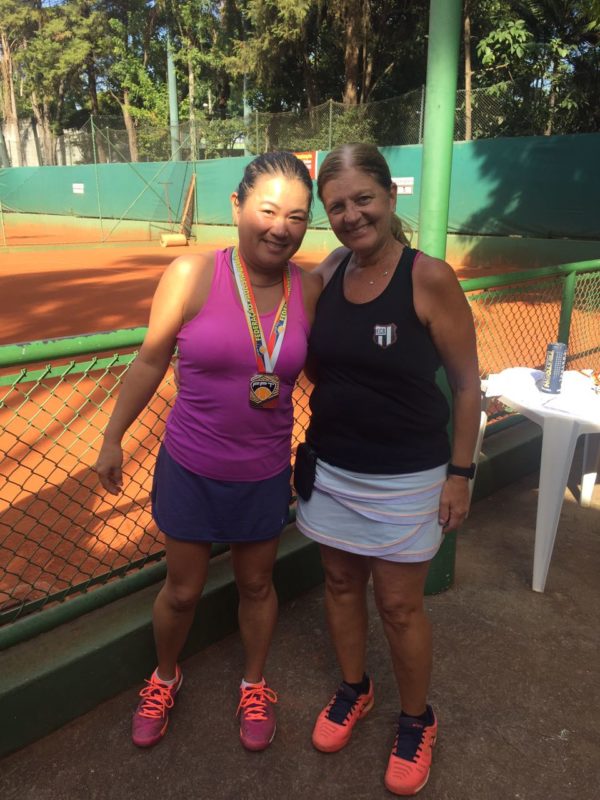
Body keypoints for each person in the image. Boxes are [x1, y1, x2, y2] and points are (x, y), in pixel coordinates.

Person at [96, 151, 320, 752]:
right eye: (267, 210)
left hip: (264, 472)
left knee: (257, 585)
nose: (280, 228)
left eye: (297, 217)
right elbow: (150, 360)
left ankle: (254, 684)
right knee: (182, 590)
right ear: (237, 206)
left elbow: (328, 370)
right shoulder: (192, 274)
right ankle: (164, 677)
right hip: (191, 467)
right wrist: (113, 436)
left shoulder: (311, 287)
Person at [295, 143, 480, 796]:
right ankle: (355, 689)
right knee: (340, 584)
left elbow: (467, 385)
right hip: (332, 466)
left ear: (390, 196)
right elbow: (314, 362)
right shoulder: (327, 273)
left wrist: (461, 473)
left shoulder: (429, 278)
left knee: (400, 607)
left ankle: (416, 720)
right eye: (336, 206)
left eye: (363, 199)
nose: (351, 215)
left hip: (408, 477)